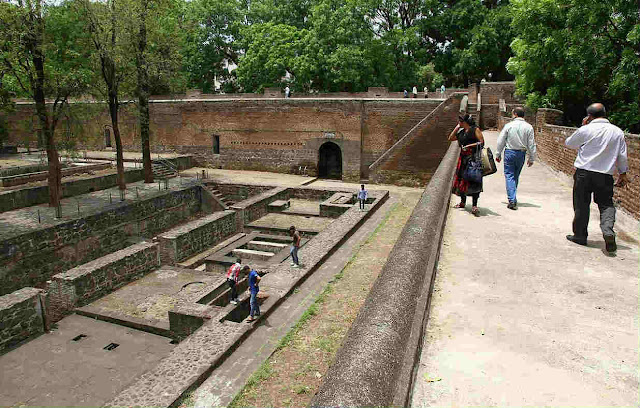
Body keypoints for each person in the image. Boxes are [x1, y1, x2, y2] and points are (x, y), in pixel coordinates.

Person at [564, 103, 628, 253]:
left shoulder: (586, 129)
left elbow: (569, 144)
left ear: (589, 116)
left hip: (584, 173)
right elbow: (622, 156)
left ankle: (580, 236)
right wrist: (623, 173)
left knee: (581, 204)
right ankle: (607, 230)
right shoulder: (617, 132)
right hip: (605, 175)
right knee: (606, 204)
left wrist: (582, 127)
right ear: (605, 113)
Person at [495, 107, 537, 210]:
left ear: (515, 114)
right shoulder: (529, 127)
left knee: (509, 175)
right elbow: (531, 144)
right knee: (515, 176)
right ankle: (513, 197)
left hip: (510, 152)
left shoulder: (509, 125)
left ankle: (512, 200)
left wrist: (498, 153)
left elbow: (501, 140)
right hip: (521, 153)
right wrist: (532, 158)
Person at [449, 114, 485, 216]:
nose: (459, 123)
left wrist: (469, 145)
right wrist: (456, 128)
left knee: (474, 180)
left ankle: (474, 205)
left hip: (473, 158)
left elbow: (481, 142)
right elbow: (450, 138)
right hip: (463, 159)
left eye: (460, 122)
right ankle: (462, 202)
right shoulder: (461, 132)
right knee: (461, 180)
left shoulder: (475, 130)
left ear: (465, 122)